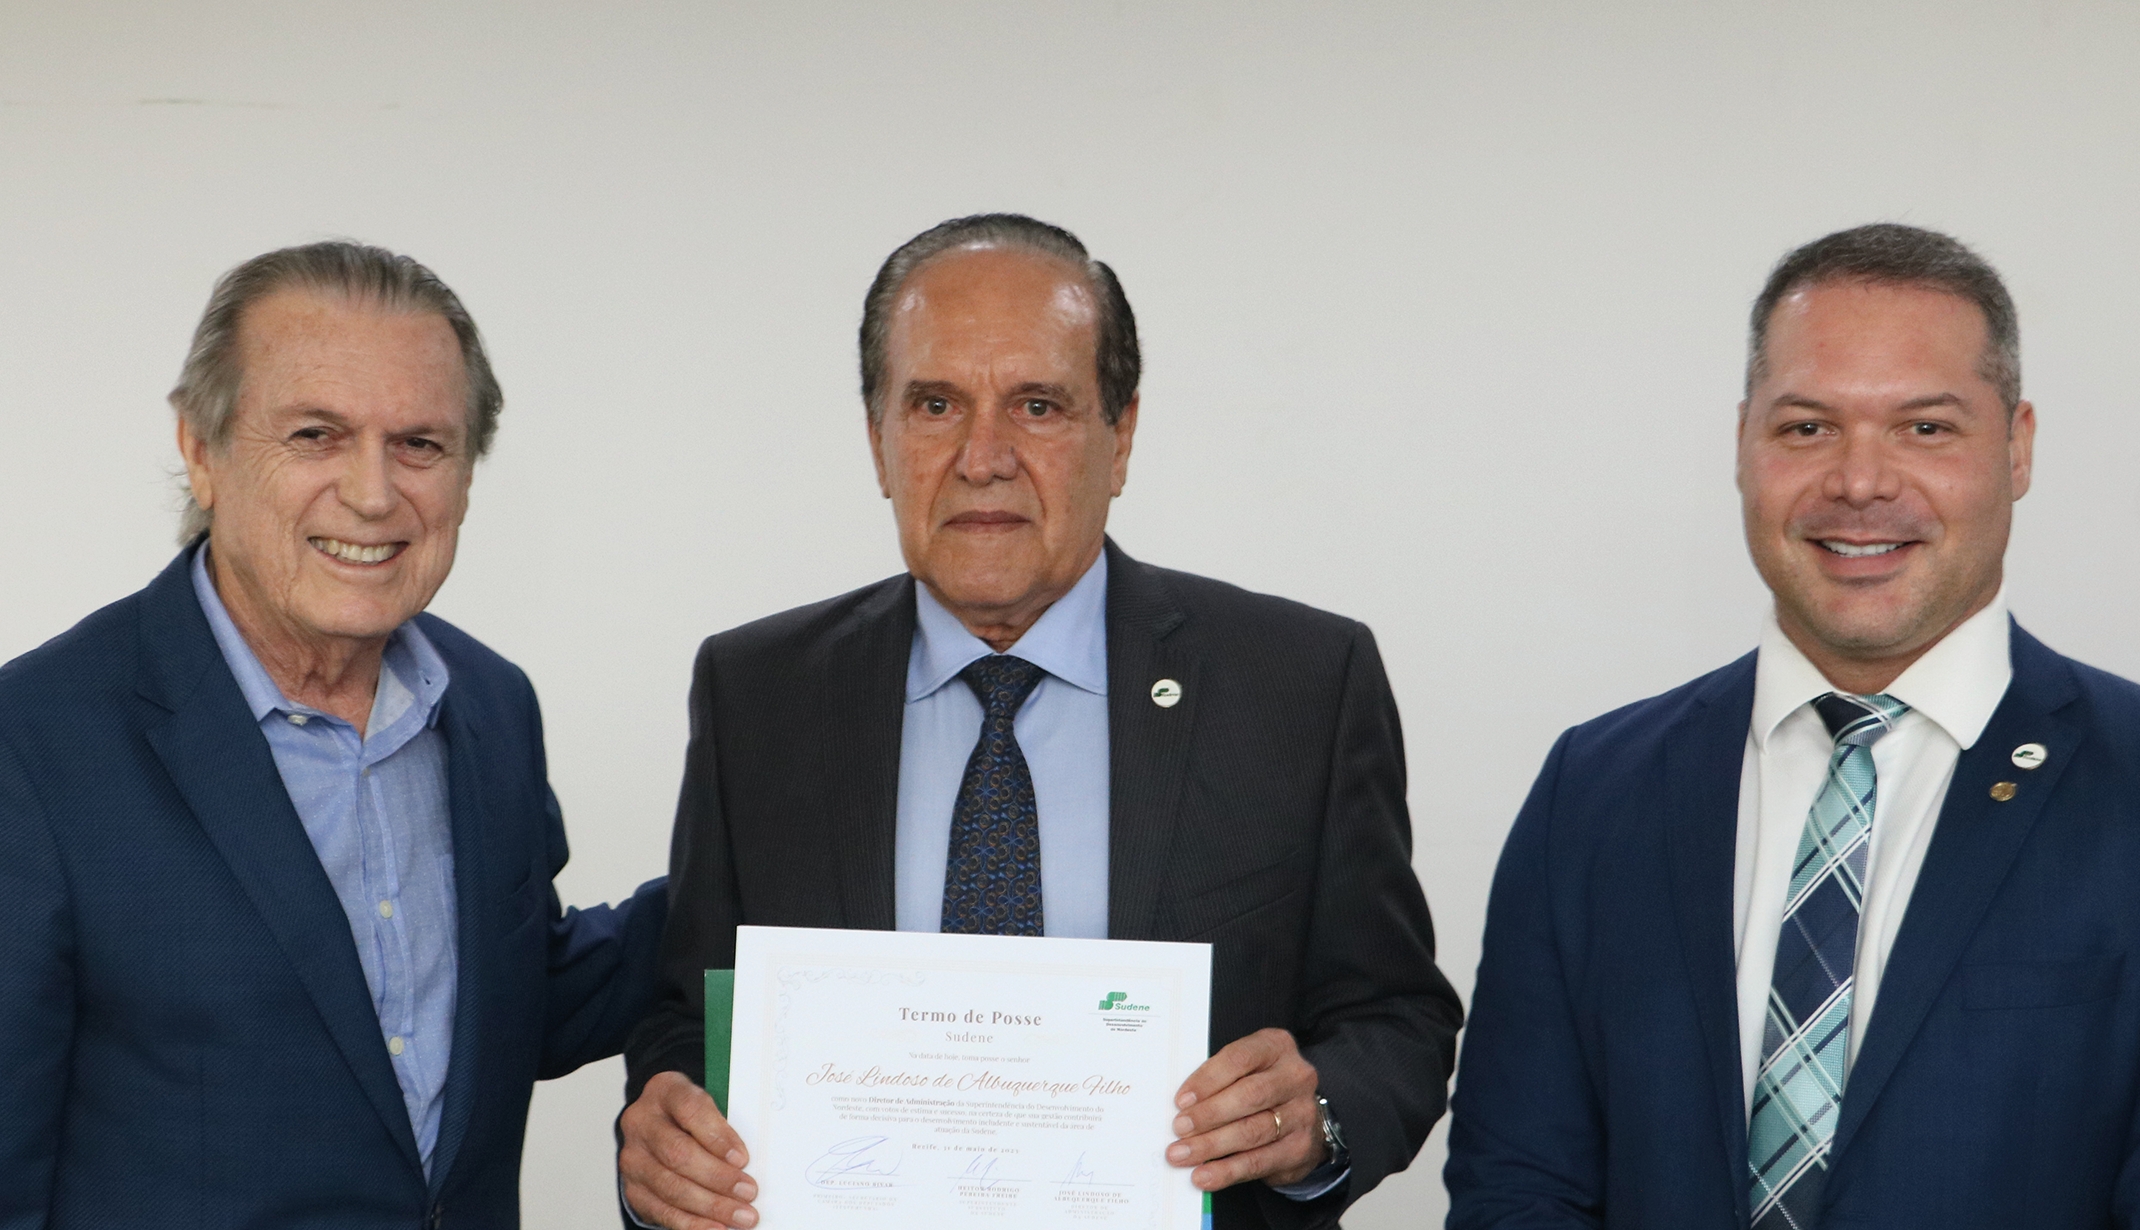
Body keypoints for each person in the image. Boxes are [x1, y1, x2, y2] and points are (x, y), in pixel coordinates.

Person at [616, 213, 1461, 1230]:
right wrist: (664, 1135)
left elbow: (1396, 1017)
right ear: (879, 441)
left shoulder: (1298, 684)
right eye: (935, 405)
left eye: (1038, 405)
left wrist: (1313, 1120)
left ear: (1121, 436)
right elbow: (691, 1014)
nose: (983, 458)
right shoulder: (759, 693)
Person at [1445, 223, 2140, 1228]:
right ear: (1744, 444)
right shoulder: (1593, 790)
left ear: (2017, 446)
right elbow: (1517, 1185)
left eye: (1924, 428)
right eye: (1808, 427)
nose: (1859, 482)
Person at [0, 242, 666, 1229]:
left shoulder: (491, 705)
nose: (372, 493)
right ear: (201, 450)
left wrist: (753, 872)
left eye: (420, 444)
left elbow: (506, 1000)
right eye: (316, 435)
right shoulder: (33, 744)